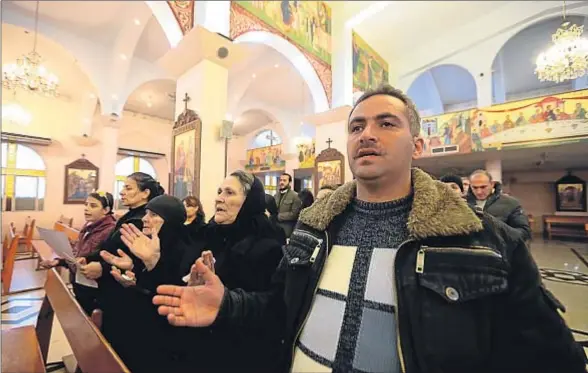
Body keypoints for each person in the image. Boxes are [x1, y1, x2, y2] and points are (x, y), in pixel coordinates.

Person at [154, 85, 587, 373]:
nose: (367, 134)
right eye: (357, 126)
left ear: (417, 146)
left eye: (386, 123)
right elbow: (281, 311)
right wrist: (228, 303)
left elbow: (551, 360)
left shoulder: (482, 241)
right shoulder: (314, 228)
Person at [163, 171, 285, 372]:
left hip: (238, 354)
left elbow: (273, 308)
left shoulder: (267, 245)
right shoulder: (207, 235)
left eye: (229, 192)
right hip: (194, 345)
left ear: (250, 201)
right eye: (219, 191)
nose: (219, 198)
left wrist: (227, 299)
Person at [81, 172, 164, 370]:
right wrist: (91, 258)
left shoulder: (142, 219)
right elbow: (111, 247)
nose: (122, 192)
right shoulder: (130, 215)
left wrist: (103, 266)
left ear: (145, 193)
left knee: (120, 347)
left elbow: (135, 258)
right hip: (113, 286)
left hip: (124, 291)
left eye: (128, 188)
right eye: (123, 187)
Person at [108, 195, 191, 373]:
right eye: (146, 213)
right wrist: (132, 278)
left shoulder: (184, 251)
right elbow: (147, 286)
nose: (145, 219)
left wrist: (153, 263)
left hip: (164, 336)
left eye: (154, 215)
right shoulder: (144, 246)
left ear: (170, 220)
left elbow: (172, 292)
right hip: (141, 324)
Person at [40, 191, 116, 315]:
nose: (86, 209)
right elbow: (77, 255)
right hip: (79, 284)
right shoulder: (88, 226)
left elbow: (101, 259)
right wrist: (58, 261)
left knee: (92, 326)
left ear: (106, 210)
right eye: (86, 204)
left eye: (93, 206)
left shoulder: (110, 231)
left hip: (94, 290)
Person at [467, 169, 531, 240]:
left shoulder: (510, 203)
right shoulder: (462, 203)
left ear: (492, 184)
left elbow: (524, 232)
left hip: (500, 249)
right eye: (475, 188)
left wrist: (498, 231)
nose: (479, 192)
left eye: (483, 187)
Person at [274, 172, 302, 237]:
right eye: (280, 180)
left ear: (289, 182)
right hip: (275, 229)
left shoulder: (295, 196)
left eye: (284, 180)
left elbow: (294, 214)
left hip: (287, 231)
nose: (282, 182)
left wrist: (278, 216)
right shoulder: (276, 195)